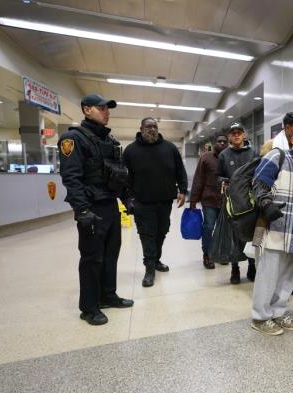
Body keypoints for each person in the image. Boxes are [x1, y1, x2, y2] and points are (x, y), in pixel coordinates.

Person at [58, 94, 133, 326]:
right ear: (86, 110)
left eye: (107, 108)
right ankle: (89, 308)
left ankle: (107, 296)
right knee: (92, 258)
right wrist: (81, 210)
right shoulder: (72, 139)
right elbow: (71, 178)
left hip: (110, 206)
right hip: (90, 208)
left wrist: (126, 199)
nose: (106, 112)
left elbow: (117, 174)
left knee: (111, 254)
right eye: (101, 108)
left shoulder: (110, 141)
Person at [250, 122, 293, 335]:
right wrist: (266, 204)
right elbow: (258, 183)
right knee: (268, 274)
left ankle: (279, 312)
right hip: (275, 228)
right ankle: (260, 317)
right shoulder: (277, 156)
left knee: (288, 275)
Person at [123, 117, 188, 287]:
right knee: (147, 235)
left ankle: (156, 260)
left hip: (165, 201)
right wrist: (128, 197)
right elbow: (124, 177)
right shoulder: (130, 151)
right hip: (142, 202)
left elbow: (180, 171)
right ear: (141, 128)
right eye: (148, 126)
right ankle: (149, 268)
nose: (152, 129)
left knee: (161, 232)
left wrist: (182, 190)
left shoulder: (170, 148)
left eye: (154, 126)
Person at [264, 111, 293, 297]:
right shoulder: (271, 146)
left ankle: (289, 283)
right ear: (287, 127)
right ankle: (270, 288)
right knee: (275, 251)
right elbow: (261, 178)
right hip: (276, 208)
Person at [216, 122, 257, 284]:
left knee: (251, 234)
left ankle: (252, 266)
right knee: (234, 235)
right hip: (231, 202)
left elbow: (259, 171)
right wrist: (224, 180)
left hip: (250, 201)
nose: (237, 135)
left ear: (244, 135)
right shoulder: (224, 155)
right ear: (229, 137)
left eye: (239, 132)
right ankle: (235, 269)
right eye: (233, 133)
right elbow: (218, 176)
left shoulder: (253, 153)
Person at [190, 132, 228, 269]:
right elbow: (198, 178)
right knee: (208, 227)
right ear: (214, 143)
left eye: (225, 142)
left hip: (225, 201)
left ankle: (221, 254)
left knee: (223, 229)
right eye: (220, 141)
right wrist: (193, 200)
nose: (222, 144)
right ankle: (207, 255)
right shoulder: (206, 158)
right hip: (209, 200)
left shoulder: (229, 157)